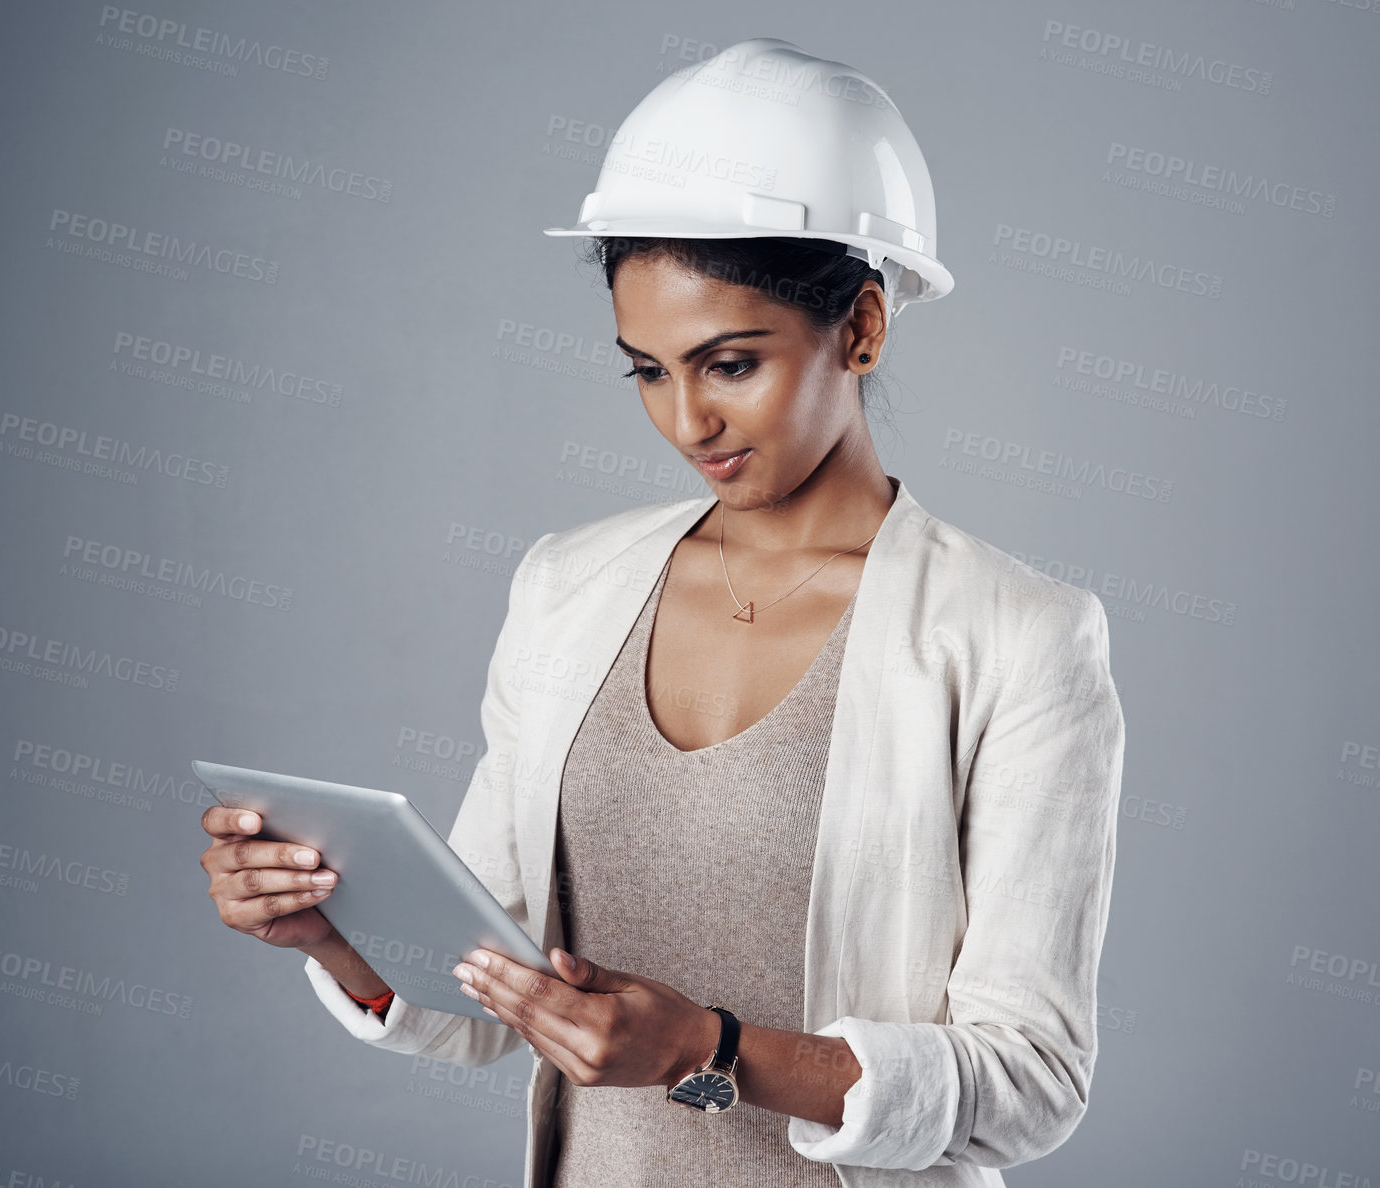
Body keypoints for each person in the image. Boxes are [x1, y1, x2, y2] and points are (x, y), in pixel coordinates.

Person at [200, 38, 1125, 1188]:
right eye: (646, 370)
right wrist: (335, 937)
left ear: (862, 327)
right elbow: (495, 991)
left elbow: (1029, 1083)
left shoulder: (1015, 638)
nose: (687, 421)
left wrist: (709, 1050)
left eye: (729, 362)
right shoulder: (564, 589)